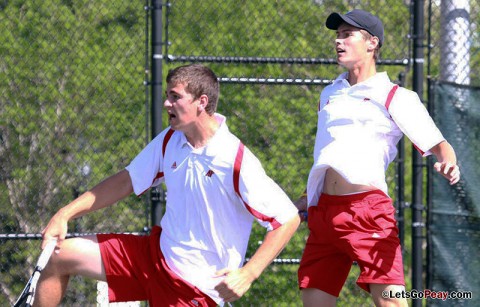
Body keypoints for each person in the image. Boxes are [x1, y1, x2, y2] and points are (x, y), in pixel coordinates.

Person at [35, 64, 300, 306]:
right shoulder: (170, 139)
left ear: (201, 102)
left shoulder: (235, 159)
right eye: (167, 95)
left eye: (175, 96)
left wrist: (249, 272)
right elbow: (127, 180)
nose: (166, 103)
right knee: (58, 256)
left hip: (193, 290)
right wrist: (64, 214)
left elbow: (287, 219)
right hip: (152, 257)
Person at [295, 9, 460, 307]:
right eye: (337, 35)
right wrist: (307, 197)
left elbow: (440, 145)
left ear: (372, 43)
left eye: (347, 35)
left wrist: (449, 161)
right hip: (323, 215)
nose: (338, 41)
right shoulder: (330, 93)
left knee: (391, 303)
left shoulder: (395, 95)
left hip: (367, 213)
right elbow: (328, 154)